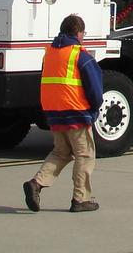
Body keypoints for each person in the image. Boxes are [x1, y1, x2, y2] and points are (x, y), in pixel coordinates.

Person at [23, 14, 104, 213]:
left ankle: (36, 183)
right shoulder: (80, 56)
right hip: (76, 113)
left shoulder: (49, 53)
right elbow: (95, 89)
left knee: (61, 152)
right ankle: (80, 199)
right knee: (84, 155)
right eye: (83, 33)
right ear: (78, 33)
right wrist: (94, 109)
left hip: (54, 113)